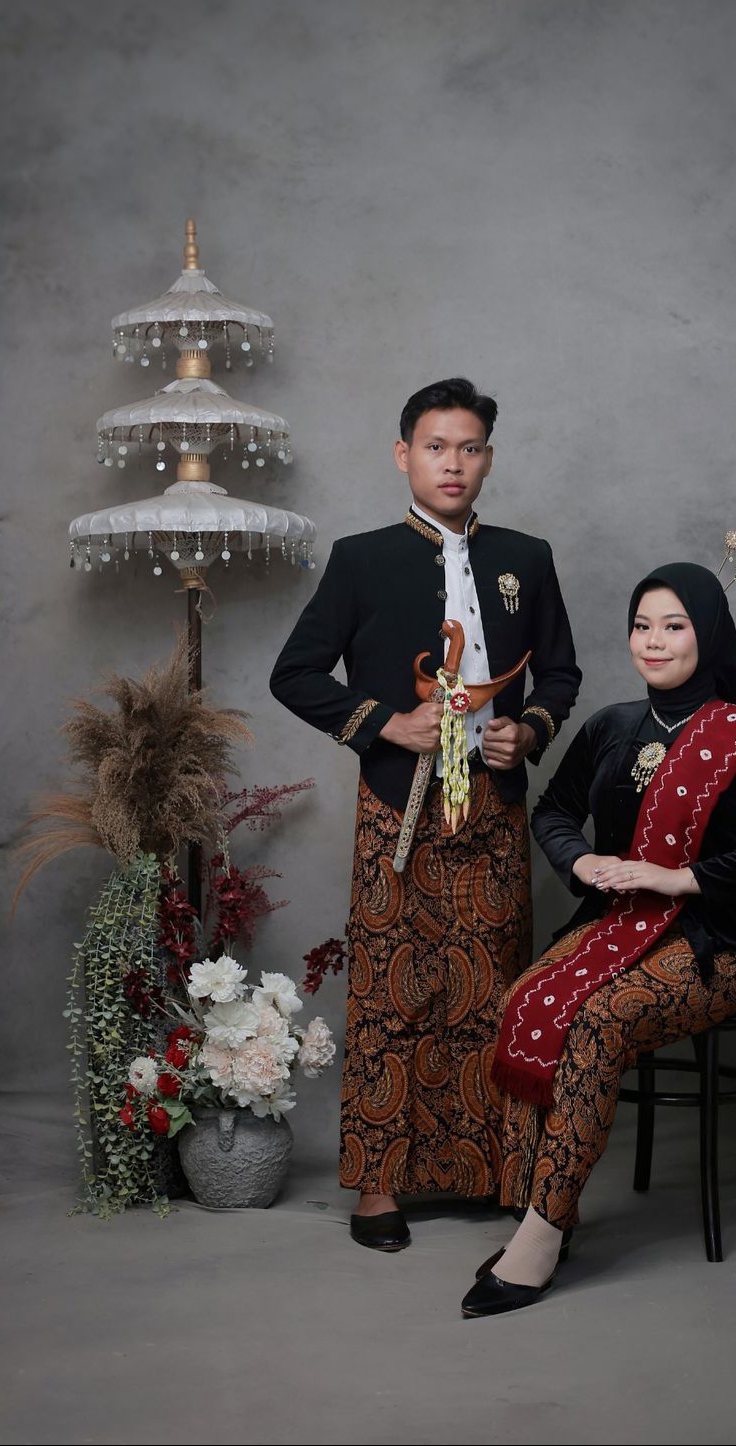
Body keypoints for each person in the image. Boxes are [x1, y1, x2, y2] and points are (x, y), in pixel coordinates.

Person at [270, 378, 581, 1252]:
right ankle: (379, 1187)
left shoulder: (527, 557)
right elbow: (295, 674)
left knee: (492, 988)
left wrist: (529, 730)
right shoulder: (362, 559)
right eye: (436, 447)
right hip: (395, 806)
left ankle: (495, 1172)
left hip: (492, 804)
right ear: (403, 454)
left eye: (469, 448)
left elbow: (560, 672)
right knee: (389, 991)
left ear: (489, 459)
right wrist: (382, 723)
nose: (453, 464)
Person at [459, 562, 736, 1316]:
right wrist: (580, 861)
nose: (653, 642)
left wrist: (683, 878)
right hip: (614, 925)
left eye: (673, 626)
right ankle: (536, 1209)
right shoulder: (610, 727)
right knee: (525, 1000)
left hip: (714, 945)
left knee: (599, 1020)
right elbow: (553, 810)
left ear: (706, 634)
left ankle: (543, 1235)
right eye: (641, 626)